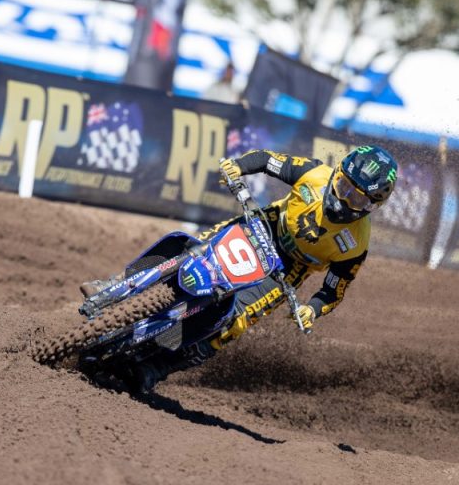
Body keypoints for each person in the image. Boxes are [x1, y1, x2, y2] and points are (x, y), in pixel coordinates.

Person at [81, 145, 398, 391]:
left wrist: (312, 310)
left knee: (232, 323)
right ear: (338, 172)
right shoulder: (315, 174)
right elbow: (266, 159)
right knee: (190, 250)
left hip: (287, 271)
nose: (342, 197)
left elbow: (333, 290)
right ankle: (118, 283)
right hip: (263, 226)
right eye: (343, 184)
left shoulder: (356, 244)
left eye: (355, 197)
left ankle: (156, 368)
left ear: (371, 205)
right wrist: (238, 167)